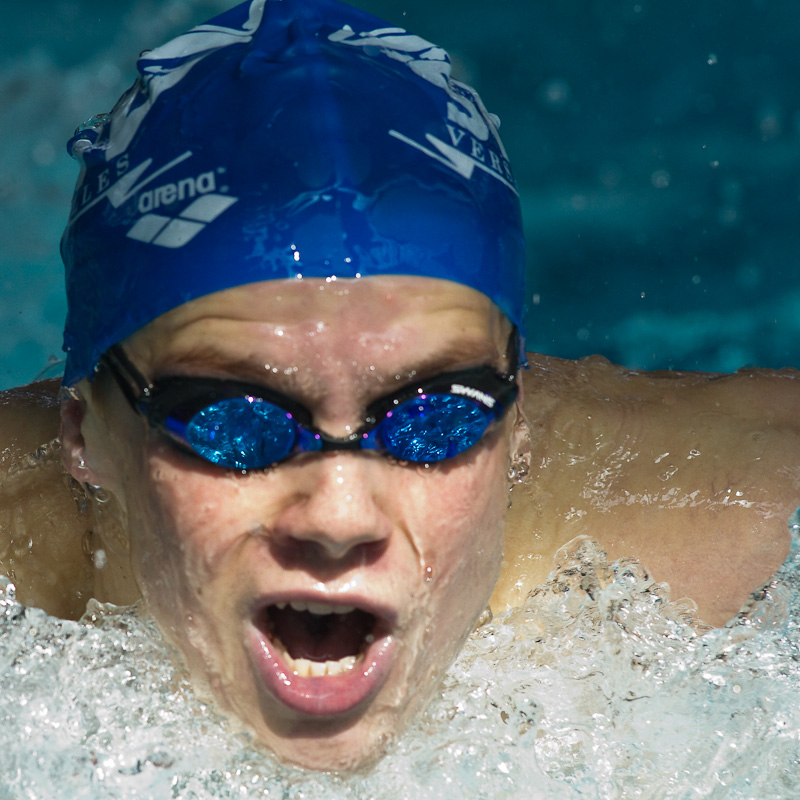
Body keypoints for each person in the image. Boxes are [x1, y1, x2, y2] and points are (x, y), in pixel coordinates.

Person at [1, 0, 799, 773]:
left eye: (434, 417)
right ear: (82, 429)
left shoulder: (738, 537)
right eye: (237, 423)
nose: (340, 518)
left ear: (517, 415)